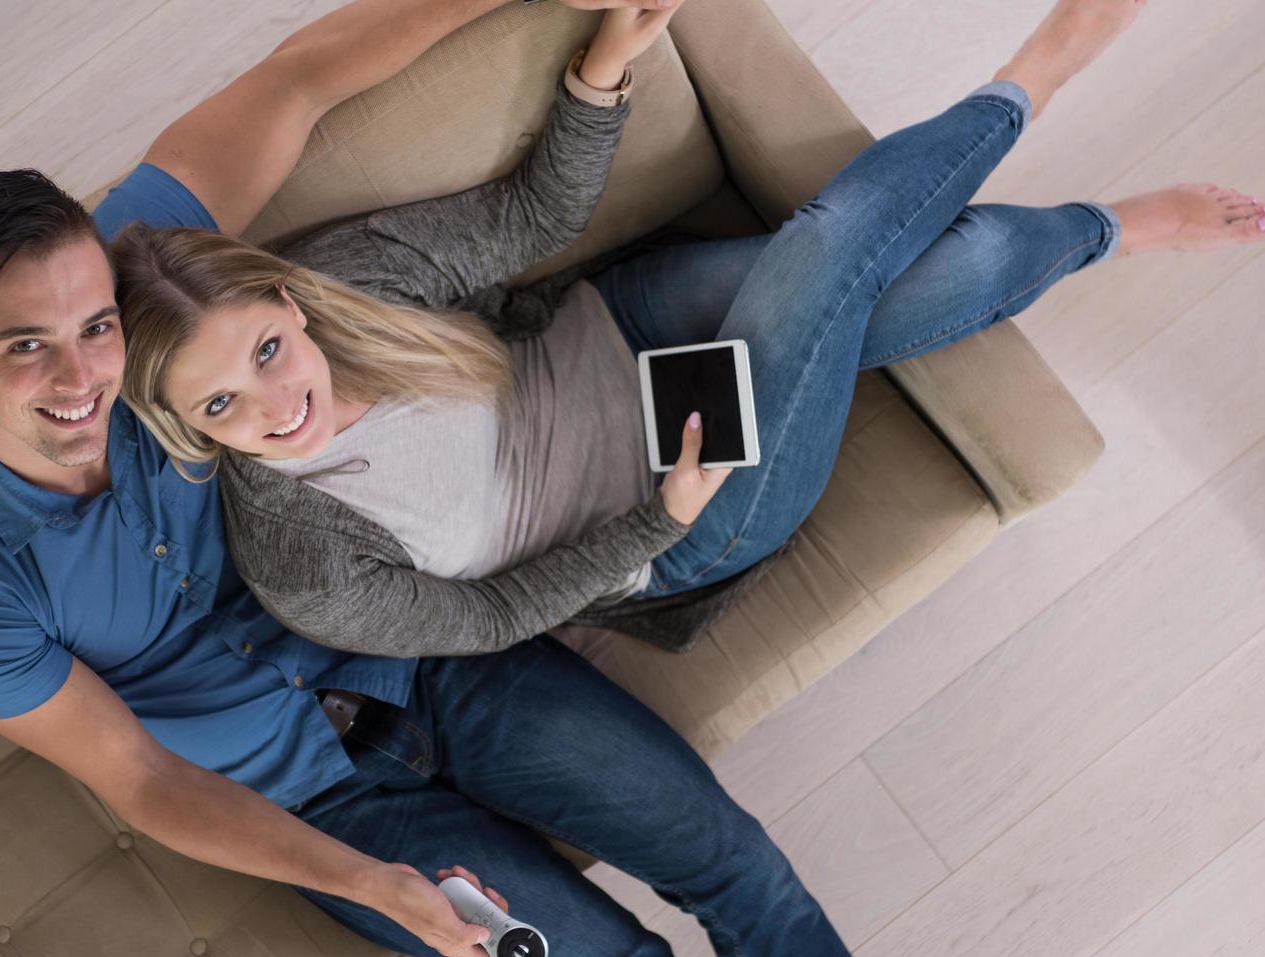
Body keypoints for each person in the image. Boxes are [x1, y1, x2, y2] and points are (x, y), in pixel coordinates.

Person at [0, 0, 868, 957]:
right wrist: (362, 877)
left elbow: (298, 78)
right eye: (24, 347)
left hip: (424, 651)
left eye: (95, 327)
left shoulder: (129, 286)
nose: (82, 375)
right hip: (315, 801)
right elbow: (140, 779)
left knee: (738, 866)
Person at [112, 0, 1265, 664]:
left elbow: (528, 217)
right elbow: (491, 615)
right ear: (187, 428)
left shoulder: (343, 281)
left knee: (914, 265)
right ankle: (1036, 74)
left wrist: (604, 64)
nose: (277, 407)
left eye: (267, 352)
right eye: (223, 406)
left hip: (616, 332)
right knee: (823, 257)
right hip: (677, 506)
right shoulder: (301, 564)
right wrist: (653, 521)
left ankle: (1108, 228)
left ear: (287, 306)